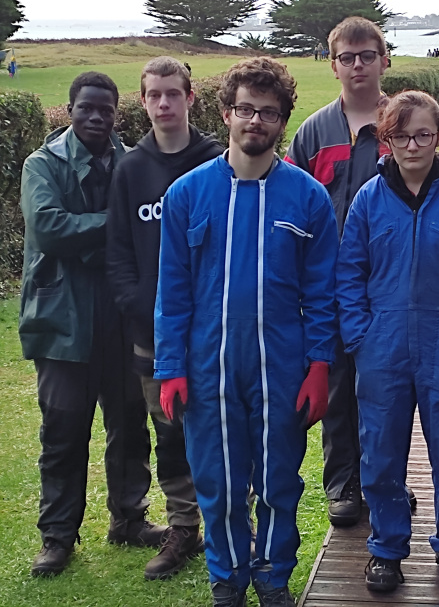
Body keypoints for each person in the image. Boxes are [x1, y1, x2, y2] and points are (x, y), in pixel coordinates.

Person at [154, 57, 338, 607]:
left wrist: (320, 365)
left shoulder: (308, 197)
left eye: (269, 112)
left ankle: (274, 576)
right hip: (207, 364)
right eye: (246, 109)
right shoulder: (187, 194)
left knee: (279, 480)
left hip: (281, 363)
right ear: (226, 113)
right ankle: (228, 577)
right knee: (218, 480)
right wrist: (171, 368)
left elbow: (321, 292)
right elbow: (172, 291)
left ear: (282, 121)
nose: (255, 120)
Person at [336, 90, 439, 592]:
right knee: (381, 454)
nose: (412, 145)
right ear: (386, 139)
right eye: (401, 136)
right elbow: (349, 273)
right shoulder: (368, 199)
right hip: (381, 346)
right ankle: (386, 549)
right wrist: (360, 335)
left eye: (423, 134)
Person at [20, 72, 158, 578]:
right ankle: (57, 537)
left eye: (106, 110)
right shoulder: (42, 164)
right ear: (70, 109)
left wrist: (99, 233)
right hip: (61, 319)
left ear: (117, 113)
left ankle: (129, 518)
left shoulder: (132, 162)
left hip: (121, 315)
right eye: (87, 108)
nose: (97, 117)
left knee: (130, 424)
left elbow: (148, 232)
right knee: (63, 430)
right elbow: (50, 229)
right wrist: (115, 224)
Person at [284, 16, 418, 529]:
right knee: (338, 386)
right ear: (333, 64)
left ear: (385, 60)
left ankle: (389, 478)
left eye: (367, 55)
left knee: (389, 390)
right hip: (328, 286)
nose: (357, 65)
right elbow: (292, 205)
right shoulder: (314, 132)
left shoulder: (405, 123)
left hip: (392, 285)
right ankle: (342, 483)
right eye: (347, 57)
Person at [107, 56, 225, 580]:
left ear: (190, 98)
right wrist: (140, 305)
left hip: (213, 330)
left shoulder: (215, 161)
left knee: (221, 427)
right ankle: (183, 526)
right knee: (170, 431)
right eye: (153, 94)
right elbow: (117, 251)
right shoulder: (131, 169)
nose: (163, 104)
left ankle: (229, 523)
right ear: (143, 100)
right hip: (153, 335)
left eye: (172, 93)